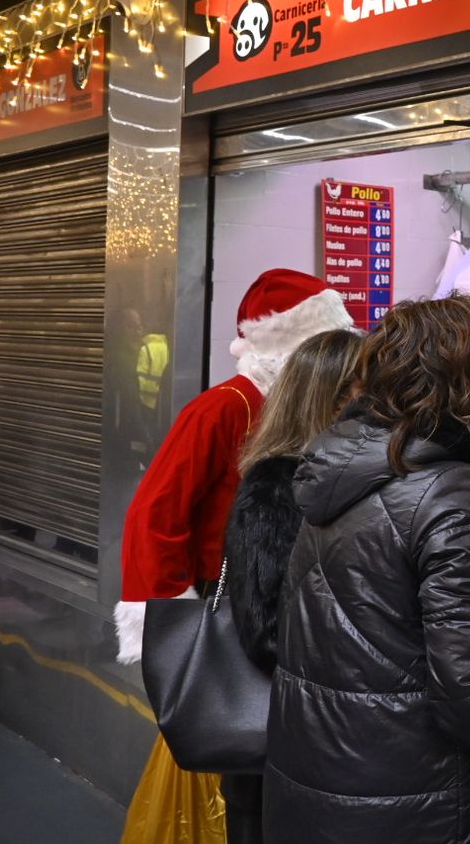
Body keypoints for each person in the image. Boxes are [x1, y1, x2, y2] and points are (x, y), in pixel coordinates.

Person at [265, 295, 470, 843]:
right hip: (420, 805)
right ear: (465, 378)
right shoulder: (457, 496)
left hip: (320, 785)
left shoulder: (336, 469)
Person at [115, 268, 354, 664]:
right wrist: (172, 616)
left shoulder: (316, 410)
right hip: (221, 597)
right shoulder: (224, 408)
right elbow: (155, 512)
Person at [218, 328, 363, 844]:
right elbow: (264, 629)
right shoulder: (276, 486)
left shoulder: (345, 481)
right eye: (368, 392)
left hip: (322, 748)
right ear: (335, 399)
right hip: (276, 750)